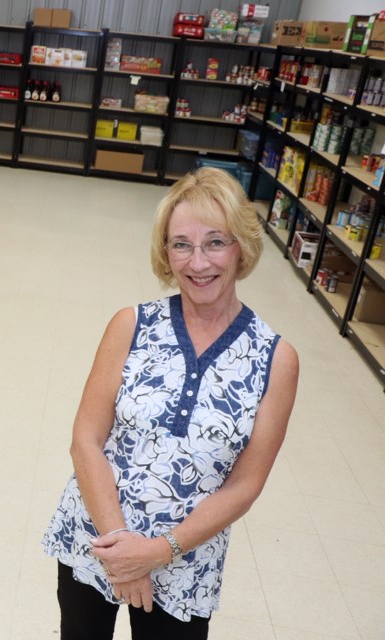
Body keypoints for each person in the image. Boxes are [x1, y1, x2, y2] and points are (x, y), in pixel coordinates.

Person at [42, 167, 299, 639]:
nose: (198, 262)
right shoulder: (130, 325)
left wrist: (158, 552)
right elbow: (86, 440)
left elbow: (245, 485)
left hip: (186, 564)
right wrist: (124, 549)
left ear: (243, 245)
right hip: (95, 537)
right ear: (165, 252)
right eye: (181, 244)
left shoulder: (276, 360)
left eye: (215, 242)